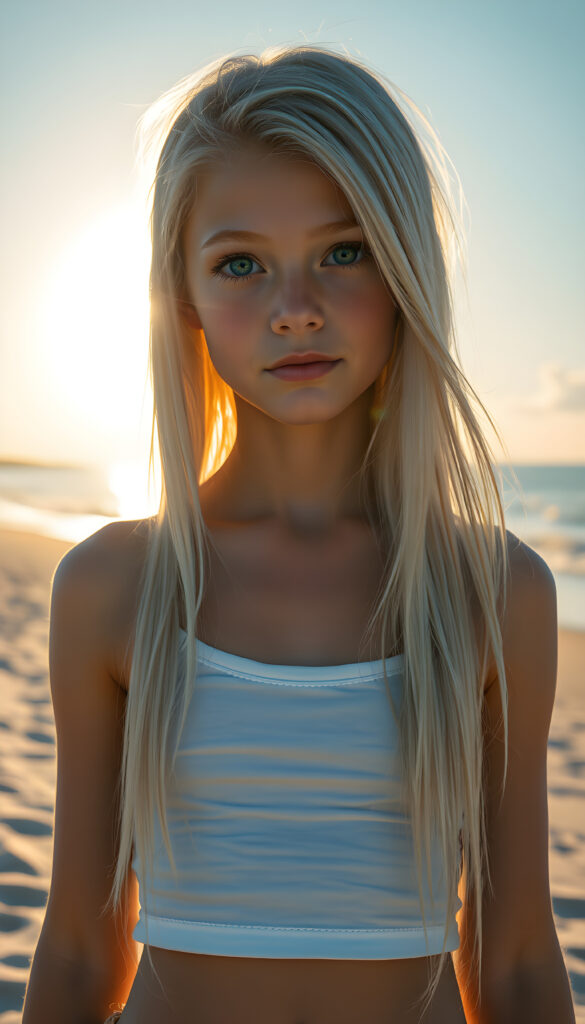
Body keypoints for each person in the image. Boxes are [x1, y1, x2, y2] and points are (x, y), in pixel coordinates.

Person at [22, 45, 575, 1024]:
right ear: (183, 298)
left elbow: (520, 961)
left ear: (404, 267)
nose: (295, 311)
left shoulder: (495, 590)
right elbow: (75, 950)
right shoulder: (114, 584)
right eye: (240, 264)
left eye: (343, 250)